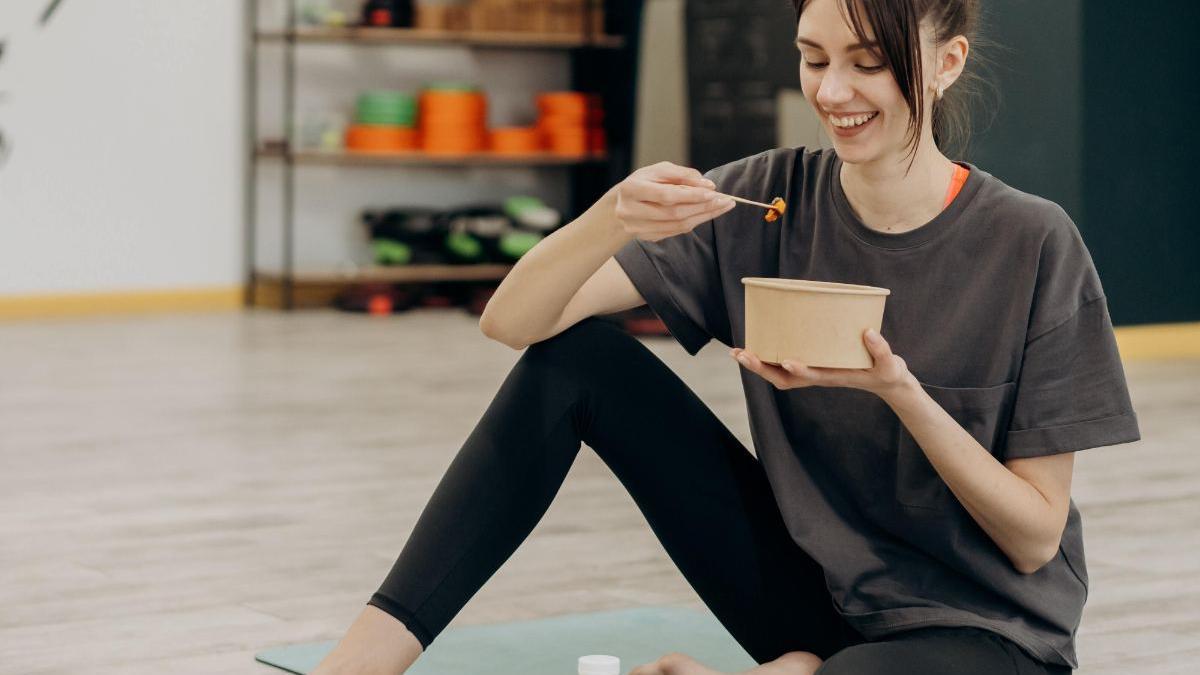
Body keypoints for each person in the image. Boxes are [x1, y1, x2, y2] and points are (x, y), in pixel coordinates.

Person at [312, 0, 1140, 673]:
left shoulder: (1033, 242)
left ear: (947, 63)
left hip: (983, 631)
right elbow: (511, 322)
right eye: (814, 59)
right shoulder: (765, 198)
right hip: (818, 598)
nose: (834, 91)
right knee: (578, 361)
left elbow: (1033, 538)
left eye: (869, 62)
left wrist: (902, 395)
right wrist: (610, 215)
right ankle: (362, 663)